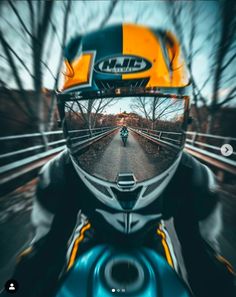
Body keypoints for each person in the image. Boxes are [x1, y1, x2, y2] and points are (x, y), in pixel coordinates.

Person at [2, 24, 235, 297]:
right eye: (83, 106)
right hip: (148, 237)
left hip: (94, 236)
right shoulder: (192, 176)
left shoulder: (59, 172)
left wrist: (13, 288)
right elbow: (44, 252)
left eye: (169, 108)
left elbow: (43, 251)